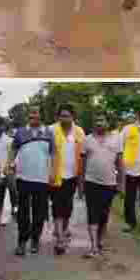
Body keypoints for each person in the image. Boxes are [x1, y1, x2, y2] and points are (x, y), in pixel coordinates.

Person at [11, 107, 52, 256]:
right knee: (23, 212)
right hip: (23, 178)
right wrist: (9, 164)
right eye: (31, 113)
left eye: (35, 112)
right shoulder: (20, 132)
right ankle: (21, 241)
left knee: (39, 212)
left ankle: (35, 240)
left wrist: (53, 173)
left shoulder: (48, 132)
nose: (32, 115)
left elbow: (54, 154)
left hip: (42, 179)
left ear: (41, 115)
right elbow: (13, 149)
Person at [79, 115, 121, 258]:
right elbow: (82, 164)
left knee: (104, 214)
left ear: (108, 123)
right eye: (97, 120)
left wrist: (122, 184)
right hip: (91, 182)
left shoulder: (116, 139)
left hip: (109, 183)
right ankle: (93, 247)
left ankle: (100, 239)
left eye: (102, 120)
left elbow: (120, 164)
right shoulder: (87, 139)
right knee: (92, 214)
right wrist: (81, 185)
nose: (99, 123)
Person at [46, 104, 84, 255]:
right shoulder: (51, 130)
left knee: (67, 205)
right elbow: (46, 152)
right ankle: (60, 239)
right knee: (57, 205)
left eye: (67, 116)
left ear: (73, 117)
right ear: (58, 117)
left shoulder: (79, 132)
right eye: (62, 116)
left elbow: (83, 155)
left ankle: (63, 228)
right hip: (55, 175)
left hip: (72, 175)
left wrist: (82, 178)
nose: (64, 118)